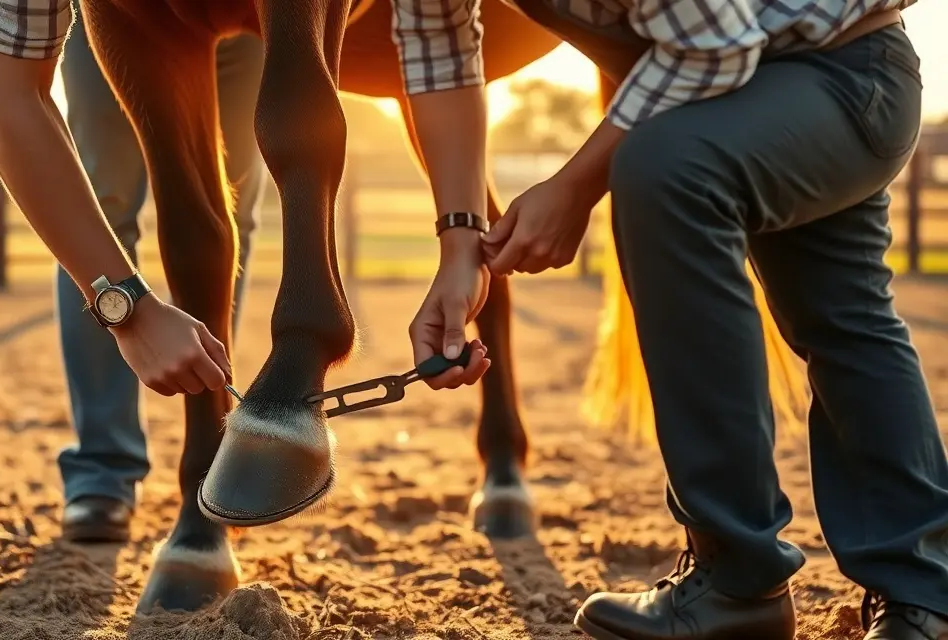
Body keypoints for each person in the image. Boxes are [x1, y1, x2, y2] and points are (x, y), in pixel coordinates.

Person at [395, 1, 948, 639]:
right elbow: (439, 47)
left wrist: (573, 188)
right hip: (754, 81)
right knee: (839, 314)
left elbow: (714, 46)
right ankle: (915, 595)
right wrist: (461, 248)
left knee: (668, 171)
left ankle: (745, 573)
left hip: (839, 72)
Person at [50, 4, 267, 542]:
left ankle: (214, 453)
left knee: (230, 210)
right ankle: (103, 467)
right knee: (102, 206)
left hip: (247, 20)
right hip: (115, 12)